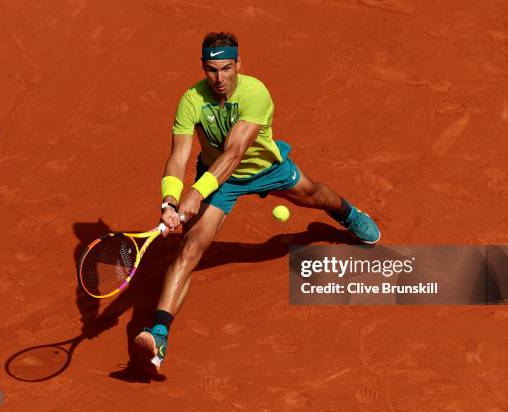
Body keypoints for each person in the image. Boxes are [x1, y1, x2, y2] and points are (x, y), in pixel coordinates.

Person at [132, 32, 380, 374]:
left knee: (315, 196)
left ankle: (347, 213)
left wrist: (196, 193)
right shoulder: (191, 100)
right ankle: (158, 333)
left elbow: (235, 154)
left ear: (239, 65)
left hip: (266, 169)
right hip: (220, 184)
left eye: (227, 68)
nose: (220, 78)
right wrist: (170, 200)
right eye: (211, 70)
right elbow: (178, 157)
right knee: (190, 248)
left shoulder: (256, 93)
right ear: (202, 68)